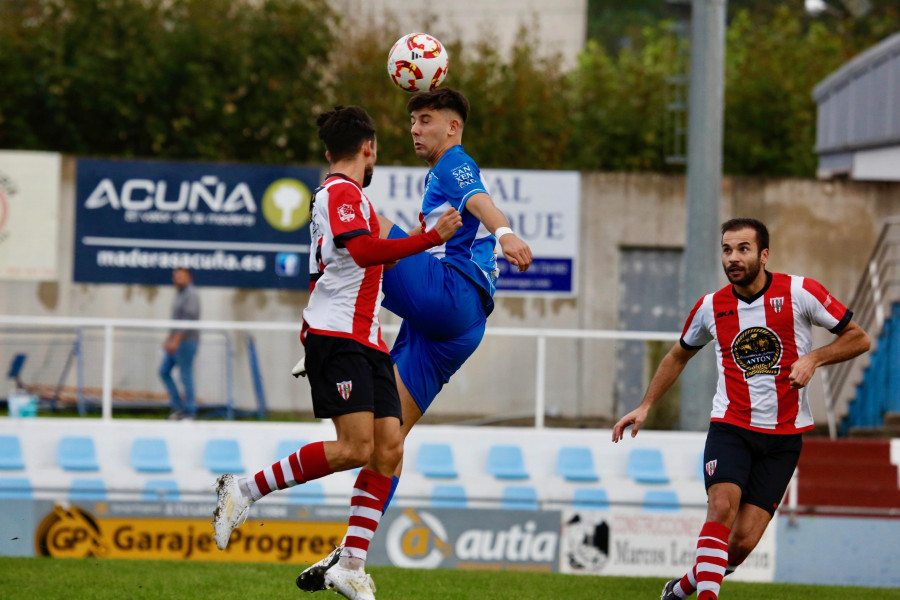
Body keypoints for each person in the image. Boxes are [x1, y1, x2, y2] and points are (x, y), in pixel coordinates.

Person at [212, 105, 462, 600]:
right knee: (356, 449)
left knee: (388, 450)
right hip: (339, 338)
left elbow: (345, 262)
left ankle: (350, 564)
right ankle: (242, 490)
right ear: (367, 148)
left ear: (329, 149)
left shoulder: (351, 199)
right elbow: (365, 251)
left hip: (367, 340)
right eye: (375, 150)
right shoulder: (340, 192)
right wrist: (431, 239)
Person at [296, 87, 533, 591]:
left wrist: (506, 232)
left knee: (362, 217)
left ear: (452, 126)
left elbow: (478, 200)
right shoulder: (443, 168)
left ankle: (327, 336)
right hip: (455, 329)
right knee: (388, 443)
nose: (415, 130)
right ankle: (351, 560)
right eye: (412, 122)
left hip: (450, 294)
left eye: (426, 120)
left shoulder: (454, 161)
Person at [611, 218, 870, 600]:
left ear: (764, 255)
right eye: (727, 249)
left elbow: (858, 339)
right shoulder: (711, 306)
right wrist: (646, 405)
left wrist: (814, 358)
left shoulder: (800, 292)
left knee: (743, 543)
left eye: (743, 249)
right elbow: (677, 356)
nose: (733, 258)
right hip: (731, 427)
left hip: (784, 437)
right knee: (721, 507)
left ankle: (680, 589)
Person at [159, 267, 200, 420]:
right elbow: (176, 319)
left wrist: (175, 340)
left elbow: (188, 319)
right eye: (176, 276)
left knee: (185, 375)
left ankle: (190, 411)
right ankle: (177, 406)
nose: (178, 279)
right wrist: (168, 339)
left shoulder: (191, 294)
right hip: (176, 341)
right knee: (164, 371)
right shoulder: (179, 294)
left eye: (181, 276)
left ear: (189, 277)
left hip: (187, 341)